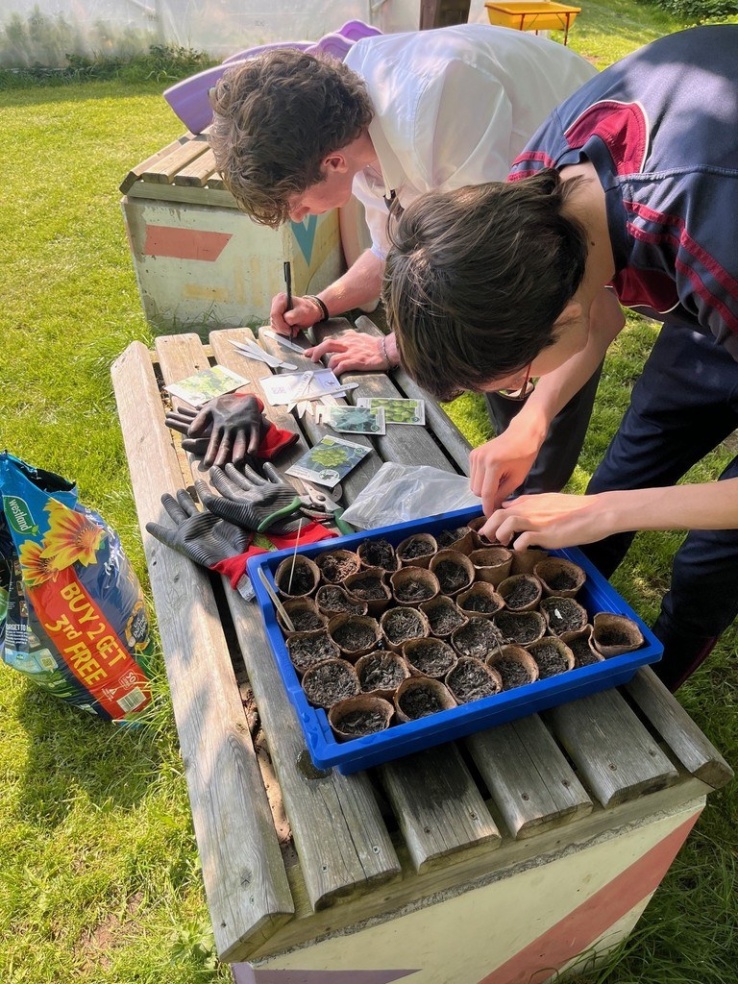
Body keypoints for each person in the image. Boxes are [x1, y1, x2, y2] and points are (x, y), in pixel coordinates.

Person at [383, 24, 738, 690]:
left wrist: (602, 514)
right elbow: (598, 313)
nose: (523, 389)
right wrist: (533, 420)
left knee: (713, 558)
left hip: (720, 224)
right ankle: (570, 655)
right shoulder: (533, 194)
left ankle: (657, 693)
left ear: (557, 319)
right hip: (705, 270)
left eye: (517, 381)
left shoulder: (711, 231)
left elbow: (589, 312)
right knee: (630, 469)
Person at [208, 24, 611, 496]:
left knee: (521, 360)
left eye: (294, 202)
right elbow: (390, 248)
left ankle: (535, 494)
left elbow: (492, 283)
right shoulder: (348, 136)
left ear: (332, 162)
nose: (298, 219)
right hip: (512, 234)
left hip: (593, 206)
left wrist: (389, 347)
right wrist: (322, 303)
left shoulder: (447, 105)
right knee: (495, 374)